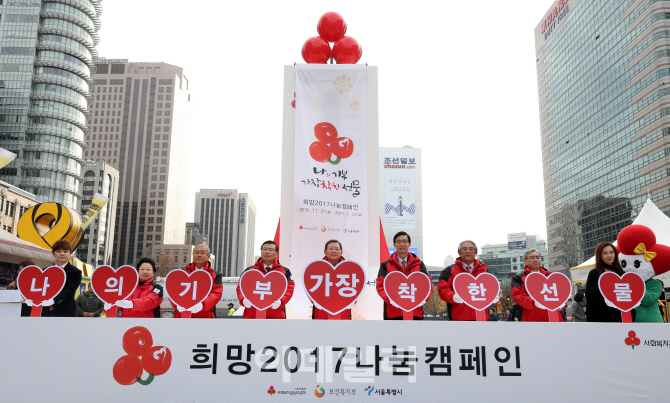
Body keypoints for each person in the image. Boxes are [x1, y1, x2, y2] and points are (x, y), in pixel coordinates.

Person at [376, 231, 429, 320]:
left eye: (405, 241)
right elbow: (380, 286)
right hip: (394, 312)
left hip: (415, 311)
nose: (402, 244)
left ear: (409, 244)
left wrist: (423, 299)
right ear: (394, 244)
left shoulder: (419, 264)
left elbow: (427, 284)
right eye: (398, 241)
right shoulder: (385, 265)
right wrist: (391, 300)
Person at [438, 240, 497, 320]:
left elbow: (493, 287)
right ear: (459, 252)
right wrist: (453, 296)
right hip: (459, 318)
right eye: (464, 249)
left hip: (481, 318)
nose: (468, 251)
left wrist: (496, 295)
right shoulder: (449, 271)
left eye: (471, 249)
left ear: (475, 252)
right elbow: (442, 290)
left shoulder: (484, 270)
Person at [237, 241, 294, 319]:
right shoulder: (250, 270)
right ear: (261, 251)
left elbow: (289, 289)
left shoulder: (284, 271)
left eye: (271, 250)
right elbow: (240, 287)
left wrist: (281, 301)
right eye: (264, 249)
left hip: (276, 314)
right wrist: (243, 299)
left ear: (276, 253)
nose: (267, 252)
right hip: (252, 314)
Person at [25, 240, 81, 317]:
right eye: (58, 251)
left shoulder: (75, 272)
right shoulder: (44, 270)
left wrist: (53, 300)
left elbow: (69, 290)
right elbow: (37, 287)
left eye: (65, 251)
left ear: (70, 253)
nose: (62, 254)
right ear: (53, 254)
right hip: (45, 310)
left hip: (65, 310)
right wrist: (30, 297)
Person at [585, 241, 635, 322]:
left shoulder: (621, 273)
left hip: (622, 317)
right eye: (605, 253)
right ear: (600, 255)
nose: (609, 255)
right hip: (603, 318)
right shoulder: (595, 273)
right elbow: (591, 297)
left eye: (611, 252)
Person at [170, 245, 222, 318]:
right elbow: (172, 291)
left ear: (208, 256)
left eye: (202, 253)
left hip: (205, 316)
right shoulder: (182, 274)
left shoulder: (216, 275)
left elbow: (216, 293)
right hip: (182, 315)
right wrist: (177, 304)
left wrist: (202, 304)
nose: (199, 255)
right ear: (193, 255)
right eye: (196, 252)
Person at [312, 239, 352, 320]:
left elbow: (356, 287)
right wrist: (314, 300)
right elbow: (309, 285)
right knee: (321, 331)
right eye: (331, 249)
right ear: (325, 252)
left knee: (342, 331)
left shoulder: (349, 268)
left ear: (341, 252)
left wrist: (353, 300)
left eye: (337, 249)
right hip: (322, 310)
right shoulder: (316, 268)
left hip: (343, 310)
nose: (334, 251)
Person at [511, 248, 553, 322]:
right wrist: (535, 302)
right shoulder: (518, 278)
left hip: (552, 318)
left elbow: (561, 292)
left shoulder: (551, 276)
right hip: (529, 318)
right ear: (525, 261)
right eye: (532, 257)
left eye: (538, 257)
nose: (535, 260)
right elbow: (519, 296)